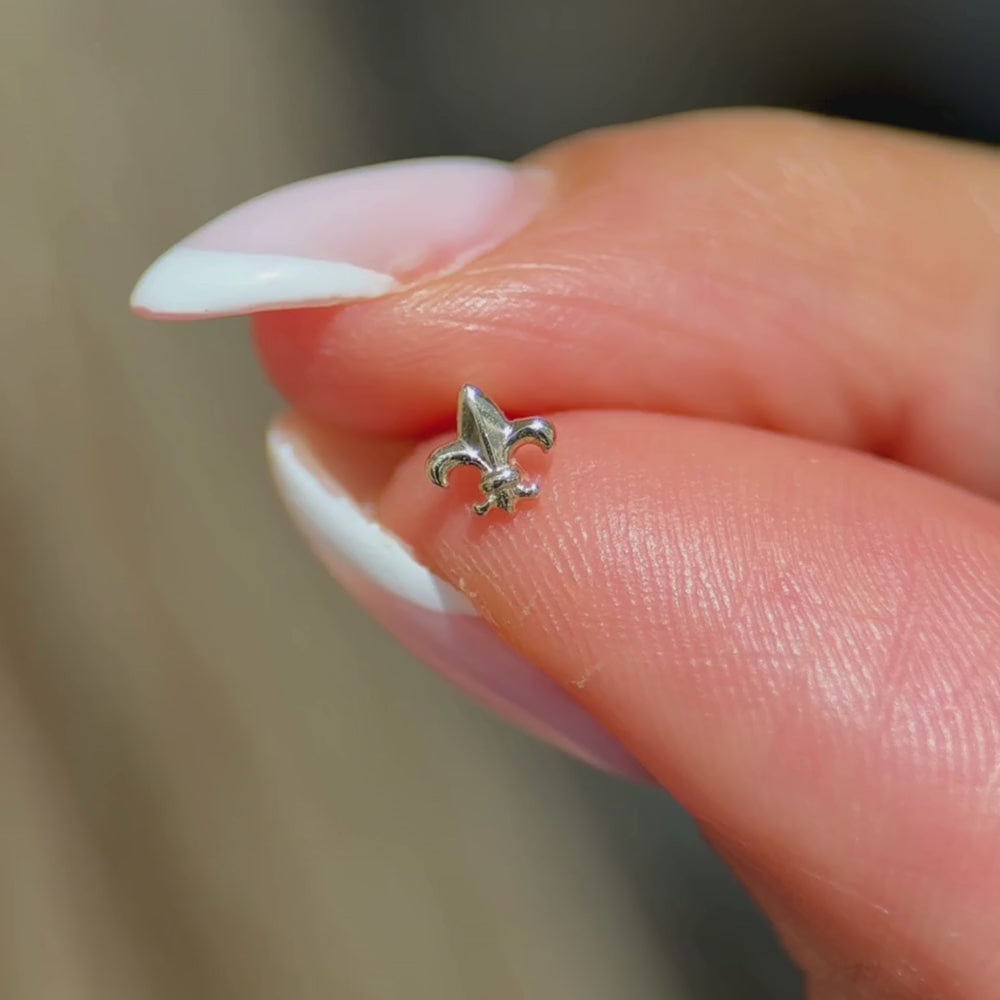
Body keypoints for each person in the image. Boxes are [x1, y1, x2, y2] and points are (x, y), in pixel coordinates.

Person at [132, 108, 1000, 998]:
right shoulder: (504, 451)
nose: (490, 447)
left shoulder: (503, 459)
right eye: (492, 457)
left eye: (498, 457)